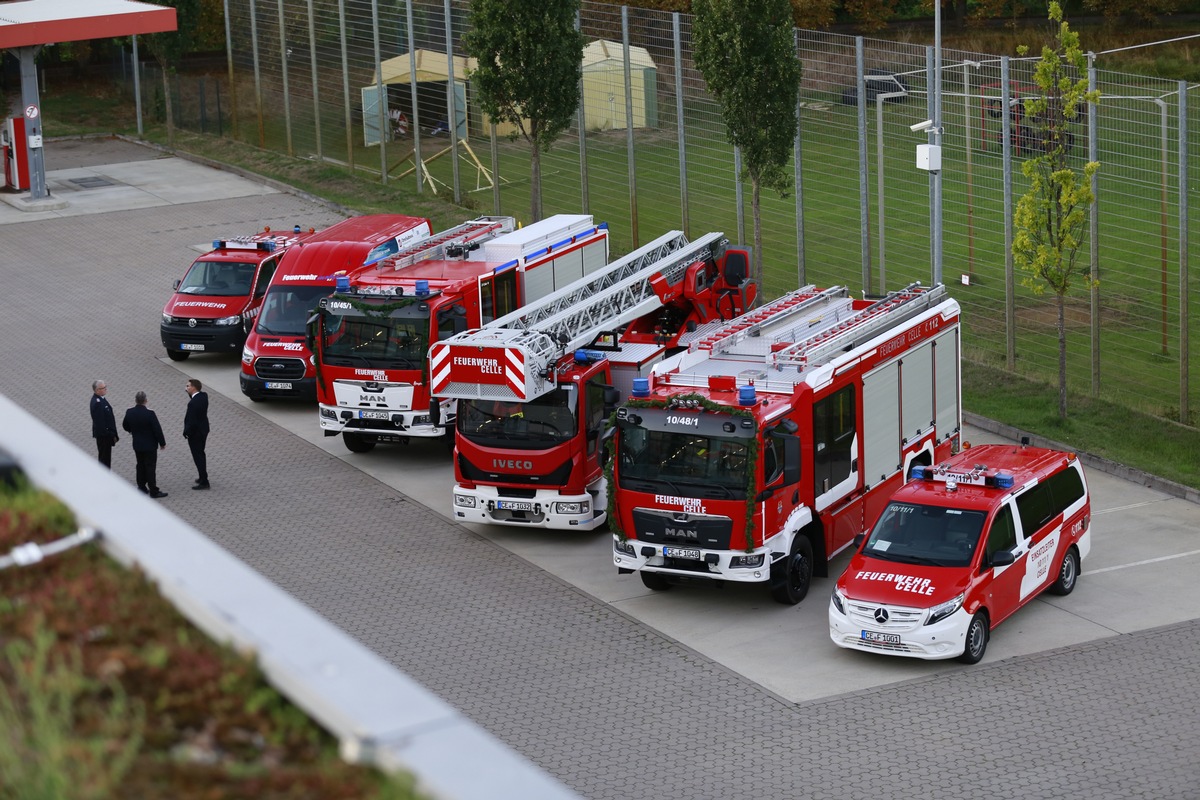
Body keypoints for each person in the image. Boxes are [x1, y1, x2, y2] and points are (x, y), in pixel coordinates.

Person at [122, 391, 167, 498]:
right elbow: (157, 429)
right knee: (150, 467)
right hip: (150, 445)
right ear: (146, 400)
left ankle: (141, 487)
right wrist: (162, 443)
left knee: (140, 465)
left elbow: (125, 425)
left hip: (137, 444)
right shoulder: (150, 414)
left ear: (135, 400)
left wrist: (132, 431)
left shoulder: (129, 412)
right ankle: (153, 490)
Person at [184, 378, 210, 490]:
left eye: (188, 386)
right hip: (204, 429)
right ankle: (202, 476)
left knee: (198, 456)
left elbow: (192, 421)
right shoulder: (203, 396)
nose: (186, 388)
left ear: (194, 387)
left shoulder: (192, 404)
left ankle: (204, 481)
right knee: (201, 453)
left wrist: (186, 432)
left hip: (196, 433)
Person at [89, 379, 119, 468]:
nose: (106, 389)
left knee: (106, 458)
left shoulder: (101, 399)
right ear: (97, 390)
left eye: (105, 387)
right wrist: (109, 434)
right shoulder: (97, 403)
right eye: (103, 388)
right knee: (104, 460)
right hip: (104, 436)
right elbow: (100, 423)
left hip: (105, 435)